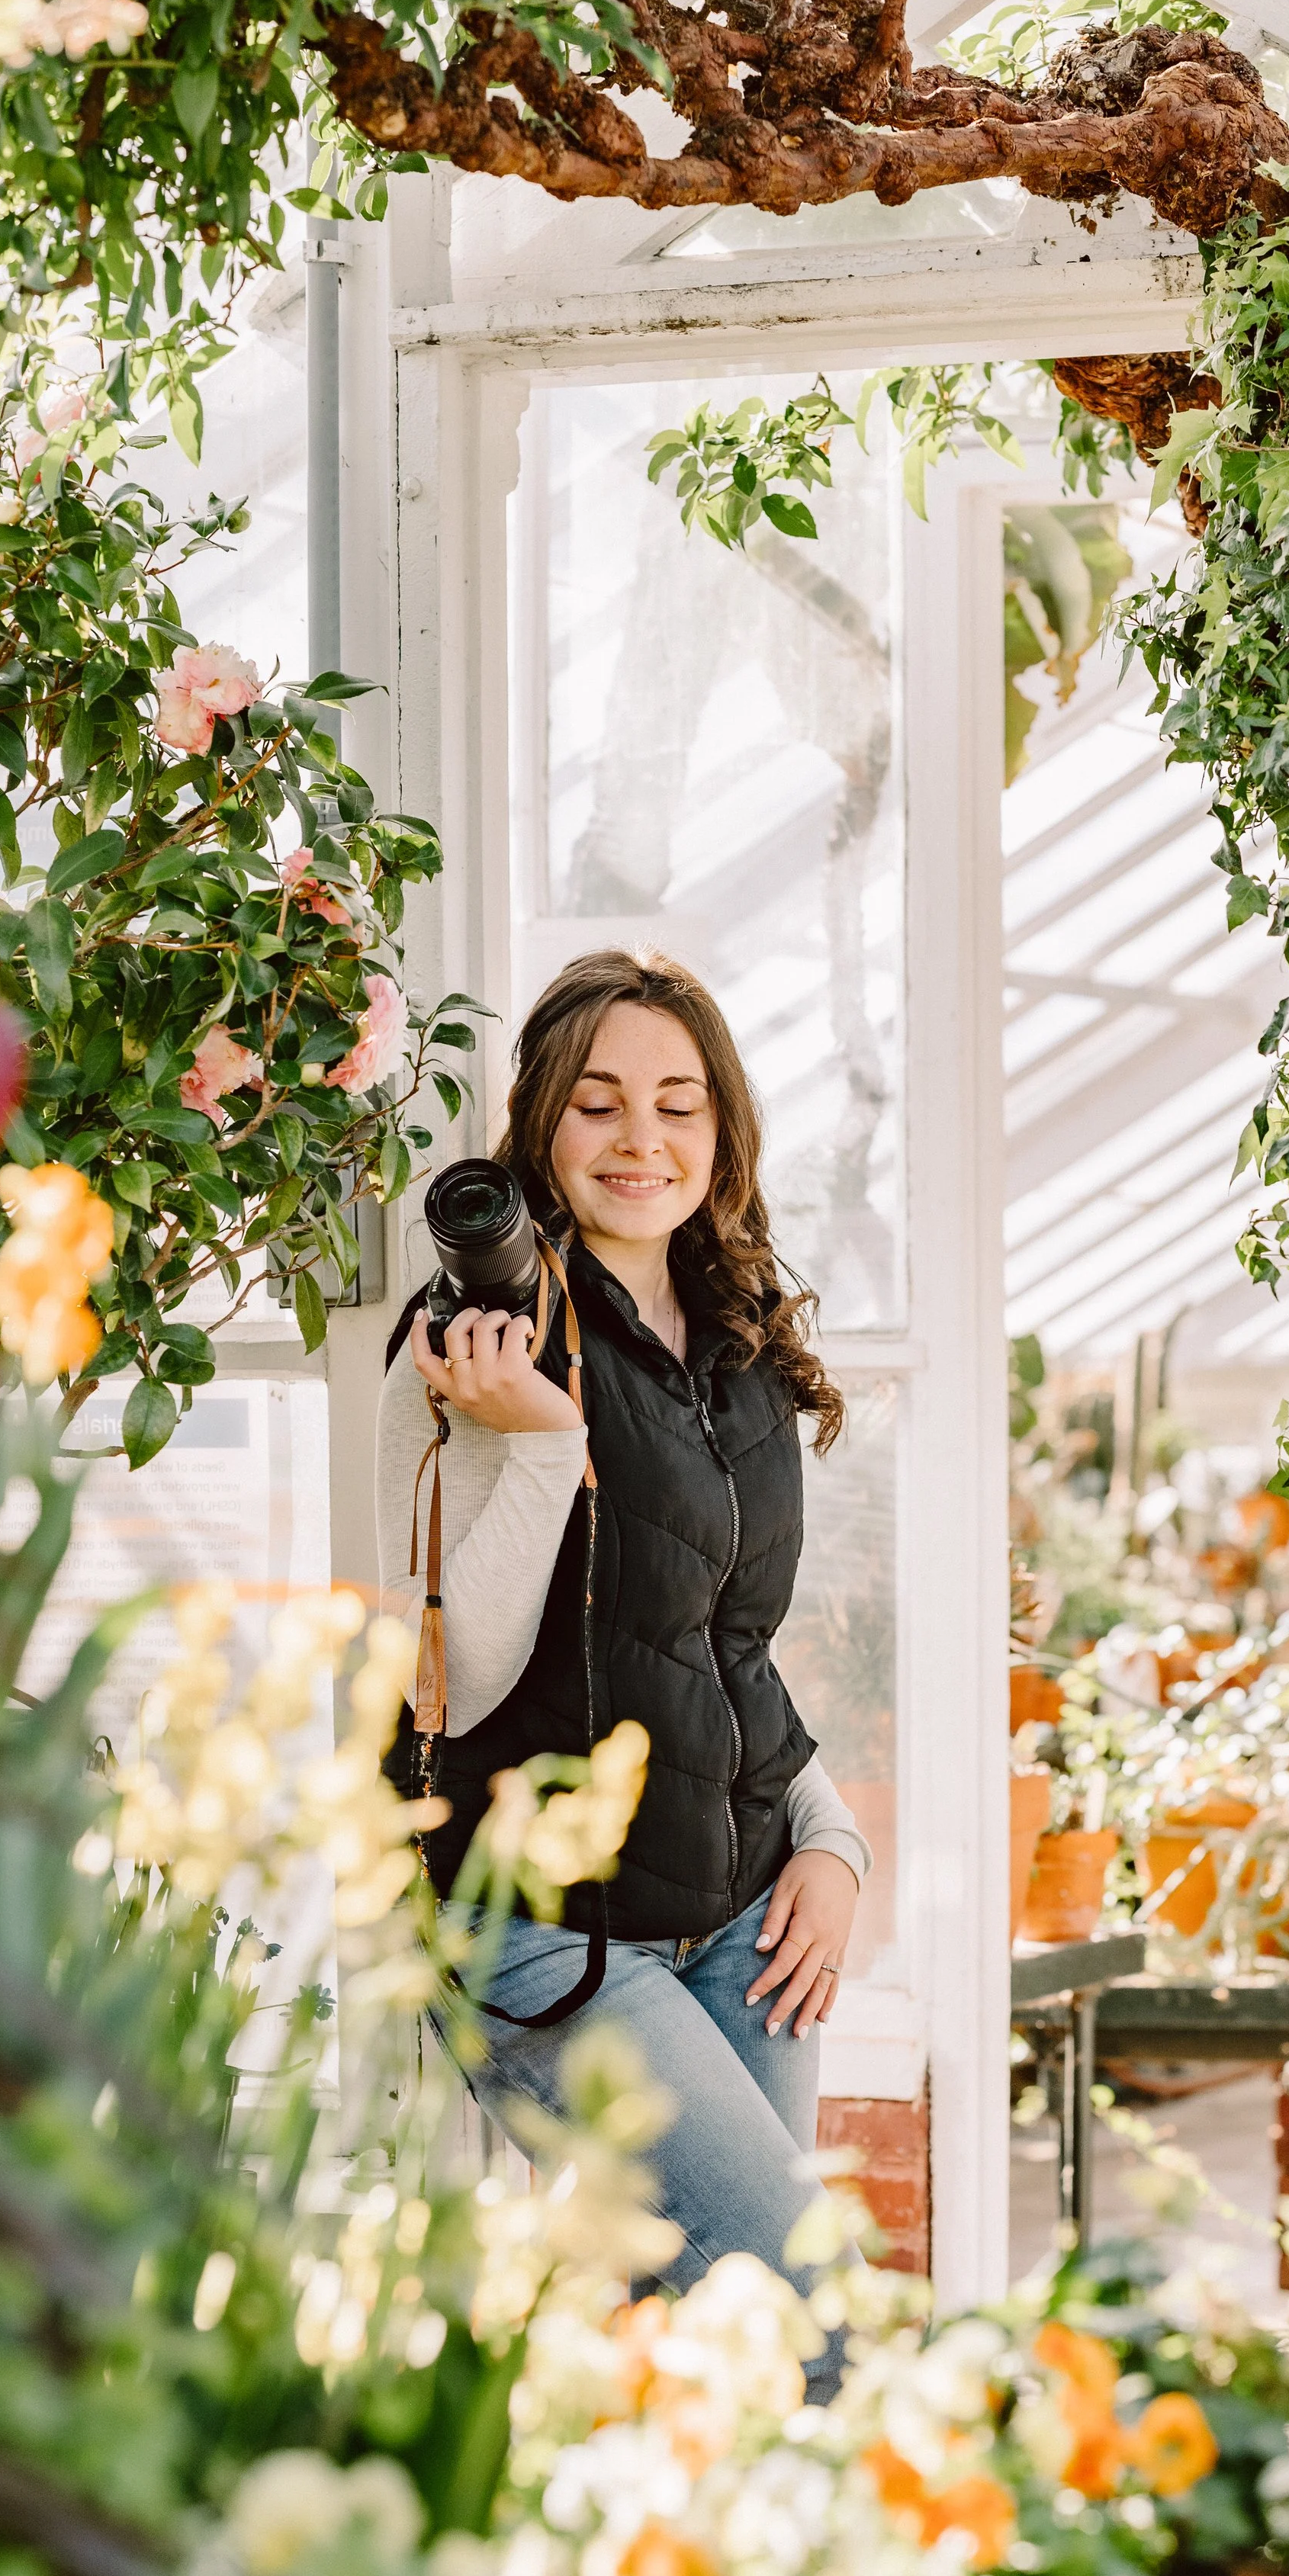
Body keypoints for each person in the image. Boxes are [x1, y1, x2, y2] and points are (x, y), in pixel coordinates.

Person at [375, 947, 868, 2343]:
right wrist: (543, 1449)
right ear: (540, 1124)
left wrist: (832, 1846)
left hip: (741, 1922)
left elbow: (729, 1646)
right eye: (597, 1105)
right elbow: (446, 1691)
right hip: (546, 1932)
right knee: (801, 2316)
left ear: (724, 1133)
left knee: (713, 2360)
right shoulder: (473, 1339)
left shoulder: (735, 1338)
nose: (641, 1140)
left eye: (678, 1104)